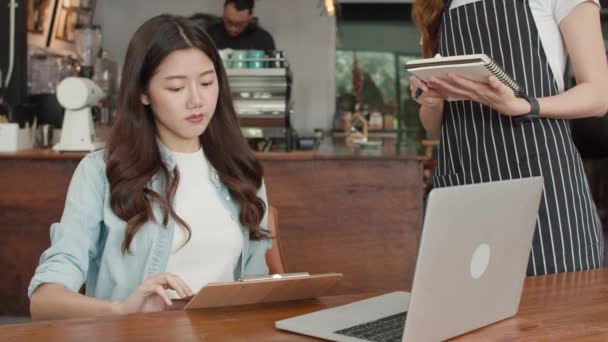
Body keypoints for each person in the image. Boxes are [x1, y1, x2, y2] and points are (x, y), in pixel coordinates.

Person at [28, 14, 272, 320]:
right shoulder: (100, 172)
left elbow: (258, 289)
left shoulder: (242, 171)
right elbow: (43, 302)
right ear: (143, 93)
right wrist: (120, 310)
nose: (197, 100)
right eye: (175, 88)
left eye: (207, 82)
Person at [410, 0, 607, 275]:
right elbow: (434, 125)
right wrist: (430, 98)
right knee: (467, 309)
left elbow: (599, 95)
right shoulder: (439, 7)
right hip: (463, 187)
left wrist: (525, 106)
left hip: (540, 184)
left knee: (556, 304)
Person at [205, 0, 276, 50]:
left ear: (250, 16)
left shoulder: (263, 40)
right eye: (228, 22)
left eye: (239, 24)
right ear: (224, 12)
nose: (232, 28)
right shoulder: (209, 35)